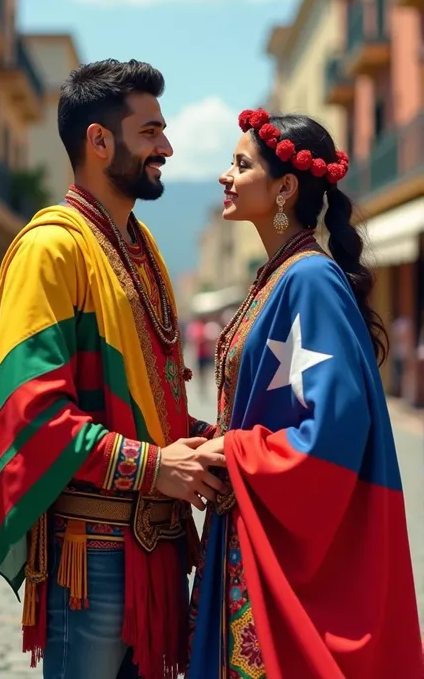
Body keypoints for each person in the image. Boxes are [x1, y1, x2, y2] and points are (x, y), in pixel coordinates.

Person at [0, 59, 222, 679]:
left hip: (158, 547)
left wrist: (201, 439)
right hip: (92, 559)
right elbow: (30, 414)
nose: (166, 147)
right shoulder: (51, 248)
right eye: (150, 132)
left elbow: (144, 400)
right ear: (99, 140)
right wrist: (156, 465)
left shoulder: (141, 250)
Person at [188, 108, 423, 678]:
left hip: (276, 543)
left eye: (241, 165)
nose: (225, 175)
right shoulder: (277, 275)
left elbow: (336, 429)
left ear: (286, 187)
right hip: (246, 523)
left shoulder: (309, 279)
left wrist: (233, 452)